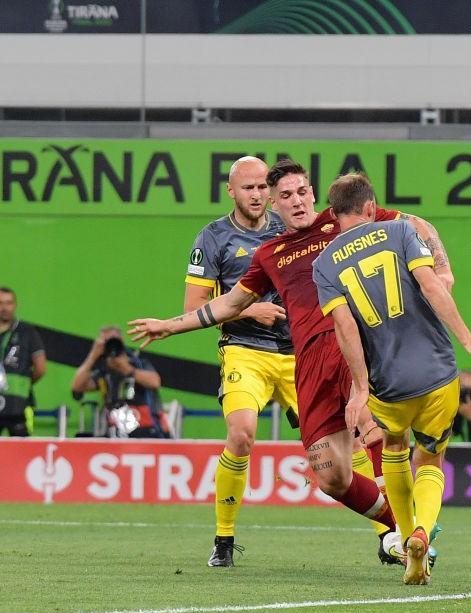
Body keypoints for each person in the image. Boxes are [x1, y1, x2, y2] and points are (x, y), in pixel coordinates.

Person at [128, 160, 405, 562]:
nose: (290, 200)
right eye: (282, 195)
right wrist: (172, 326)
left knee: (366, 424)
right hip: (270, 356)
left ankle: (398, 533)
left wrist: (436, 270)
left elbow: (405, 226)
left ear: (313, 193)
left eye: (299, 192)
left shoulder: (335, 222)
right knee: (313, 467)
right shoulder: (252, 249)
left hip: (336, 349)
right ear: (269, 203)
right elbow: (222, 304)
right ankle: (226, 539)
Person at [313, 172, 471, 585]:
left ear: (334, 214)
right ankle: (421, 532)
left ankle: (402, 529)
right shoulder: (398, 232)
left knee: (394, 449)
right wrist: (468, 340)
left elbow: (345, 330)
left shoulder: (324, 265)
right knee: (431, 459)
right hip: (437, 373)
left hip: (388, 385)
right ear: (369, 208)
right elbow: (432, 285)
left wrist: (360, 390)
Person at [184, 155, 299, 567]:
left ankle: (388, 535)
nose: (257, 195)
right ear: (231, 191)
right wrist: (250, 311)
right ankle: (224, 540)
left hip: (297, 353)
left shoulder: (289, 229)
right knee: (243, 434)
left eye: (263, 187)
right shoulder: (212, 237)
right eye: (247, 188)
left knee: (348, 442)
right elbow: (195, 305)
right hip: (244, 350)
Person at [70, 325, 169, 439]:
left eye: (114, 341)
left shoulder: (138, 363)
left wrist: (127, 369)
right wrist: (93, 355)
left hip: (146, 430)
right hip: (115, 432)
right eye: (107, 342)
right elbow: (77, 386)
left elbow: (155, 382)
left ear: (121, 342)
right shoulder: (104, 370)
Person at [0, 287, 47, 436]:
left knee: (22, 450)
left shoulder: (28, 332)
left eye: (8, 303)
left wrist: (24, 382)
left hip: (19, 404)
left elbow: (40, 368)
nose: (4, 307)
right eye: (0, 303)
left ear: (15, 305)